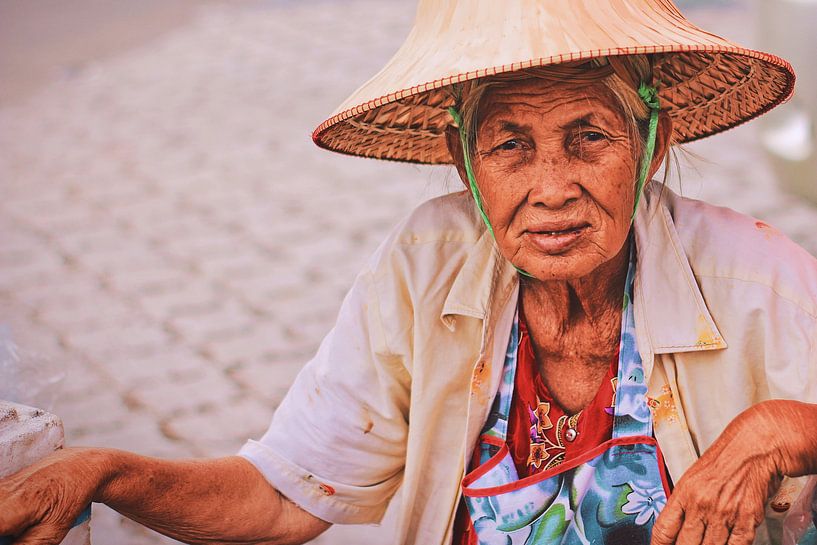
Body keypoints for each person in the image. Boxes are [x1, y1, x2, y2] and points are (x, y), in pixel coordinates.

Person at [1, 1, 816, 544]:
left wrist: (772, 428)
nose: (552, 187)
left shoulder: (753, 279)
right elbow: (285, 494)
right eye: (508, 145)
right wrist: (104, 471)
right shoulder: (426, 264)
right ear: (464, 163)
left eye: (588, 136)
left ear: (652, 144)